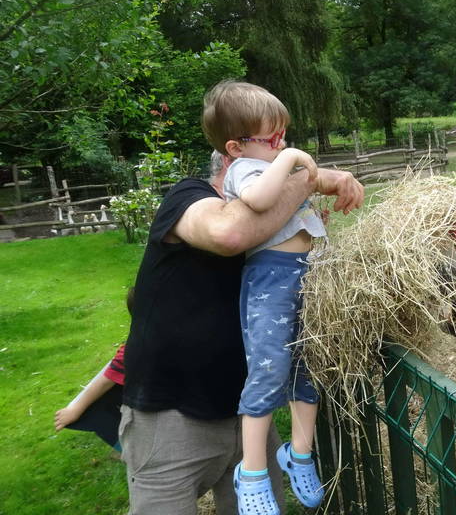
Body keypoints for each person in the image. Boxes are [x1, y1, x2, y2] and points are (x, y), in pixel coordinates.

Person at [120, 84, 364, 515]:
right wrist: (308, 176)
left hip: (248, 408)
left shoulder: (267, 205)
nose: (282, 149)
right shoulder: (190, 197)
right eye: (273, 144)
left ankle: (285, 458)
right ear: (233, 163)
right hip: (174, 416)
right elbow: (231, 232)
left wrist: (322, 179)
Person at [201, 81, 329, 515]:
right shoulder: (245, 172)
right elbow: (257, 200)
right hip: (271, 279)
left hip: (305, 275)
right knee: (269, 371)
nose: (282, 145)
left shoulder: (269, 165)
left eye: (284, 137)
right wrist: (293, 160)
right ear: (236, 147)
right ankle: (252, 472)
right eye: (272, 139)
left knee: (308, 369)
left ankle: (300, 453)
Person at [54, 288, 134, 451]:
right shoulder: (135, 349)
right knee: (98, 412)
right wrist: (75, 409)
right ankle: (128, 453)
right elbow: (105, 381)